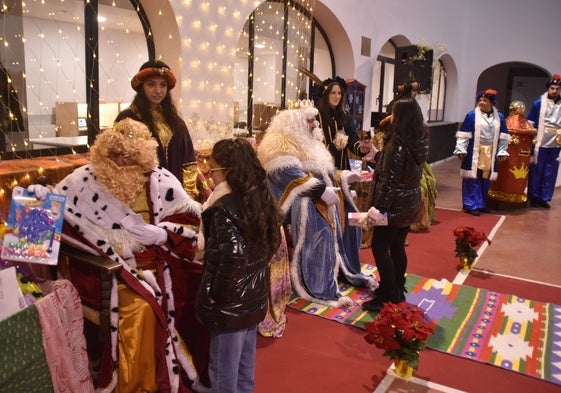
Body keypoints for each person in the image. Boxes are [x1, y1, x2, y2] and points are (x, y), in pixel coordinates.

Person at [29, 118, 209, 393]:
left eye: (132, 155)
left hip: (161, 261)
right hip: (109, 270)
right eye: (117, 154)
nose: (123, 161)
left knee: (204, 285)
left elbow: (189, 220)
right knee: (141, 310)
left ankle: (201, 371)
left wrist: (162, 234)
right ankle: (140, 385)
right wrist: (39, 203)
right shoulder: (82, 180)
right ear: (104, 152)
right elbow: (45, 233)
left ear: (145, 156)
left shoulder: (161, 178)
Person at [258, 105, 375, 307]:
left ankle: (343, 269)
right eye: (310, 121)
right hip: (294, 205)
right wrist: (320, 190)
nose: (315, 124)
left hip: (318, 198)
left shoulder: (311, 143)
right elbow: (289, 177)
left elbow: (324, 172)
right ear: (295, 124)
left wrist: (344, 175)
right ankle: (318, 281)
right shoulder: (278, 146)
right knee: (320, 229)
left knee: (350, 219)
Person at [195, 138, 282, 393]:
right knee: (244, 372)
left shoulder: (224, 207)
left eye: (213, 170)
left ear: (228, 171)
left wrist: (216, 296)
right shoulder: (259, 197)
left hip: (230, 306)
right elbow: (273, 241)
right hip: (254, 299)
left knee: (223, 376)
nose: (211, 177)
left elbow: (233, 257)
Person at [361, 98, 429, 311]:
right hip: (409, 201)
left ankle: (388, 295)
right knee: (397, 245)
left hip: (393, 205)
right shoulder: (418, 140)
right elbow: (401, 168)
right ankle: (397, 287)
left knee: (381, 247)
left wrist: (378, 207)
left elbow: (390, 180)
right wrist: (379, 157)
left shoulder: (397, 143)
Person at [115, 59, 211, 203]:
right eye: (151, 84)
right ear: (142, 87)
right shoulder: (127, 119)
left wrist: (187, 196)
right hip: (141, 197)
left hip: (175, 195)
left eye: (163, 85)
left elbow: (189, 163)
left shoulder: (176, 123)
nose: (158, 90)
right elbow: (119, 162)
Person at [453, 89, 510, 216]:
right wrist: (461, 149)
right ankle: (470, 204)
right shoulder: (471, 115)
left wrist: (502, 151)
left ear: (491, 103)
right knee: (472, 178)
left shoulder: (499, 117)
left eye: (485, 100)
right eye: (480, 100)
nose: (481, 102)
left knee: (485, 179)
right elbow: (464, 135)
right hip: (474, 151)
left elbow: (504, 136)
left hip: (490, 152)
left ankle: (481, 204)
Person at [317, 76, 372, 170]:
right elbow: (313, 144)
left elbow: (352, 139)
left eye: (339, 93)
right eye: (333, 93)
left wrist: (361, 149)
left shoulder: (345, 115)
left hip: (341, 167)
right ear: (326, 94)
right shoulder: (317, 115)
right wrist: (332, 148)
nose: (337, 96)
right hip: (322, 167)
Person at [526, 74, 561, 208]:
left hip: (557, 141)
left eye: (557, 88)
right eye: (553, 88)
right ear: (548, 88)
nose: (555, 91)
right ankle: (534, 197)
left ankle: (544, 197)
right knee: (537, 169)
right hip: (540, 141)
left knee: (550, 170)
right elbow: (530, 123)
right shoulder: (538, 103)